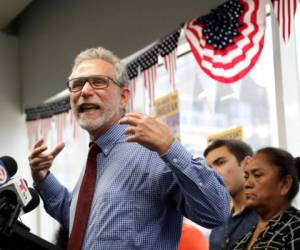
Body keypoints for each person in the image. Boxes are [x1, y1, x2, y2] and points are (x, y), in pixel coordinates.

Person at [28, 47, 230, 250]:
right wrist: (43, 178)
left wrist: (170, 148)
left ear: (123, 97)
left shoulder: (152, 152)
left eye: (98, 82)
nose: (85, 91)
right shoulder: (95, 159)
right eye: (77, 84)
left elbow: (217, 212)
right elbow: (79, 223)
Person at [233, 147, 300, 249]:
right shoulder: (244, 237)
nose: (247, 184)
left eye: (257, 175)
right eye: (246, 177)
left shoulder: (296, 228)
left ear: (284, 184)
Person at [203, 139, 258, 250]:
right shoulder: (218, 227)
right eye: (209, 169)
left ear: (247, 164)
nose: (212, 173)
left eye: (220, 162)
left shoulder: (273, 217)